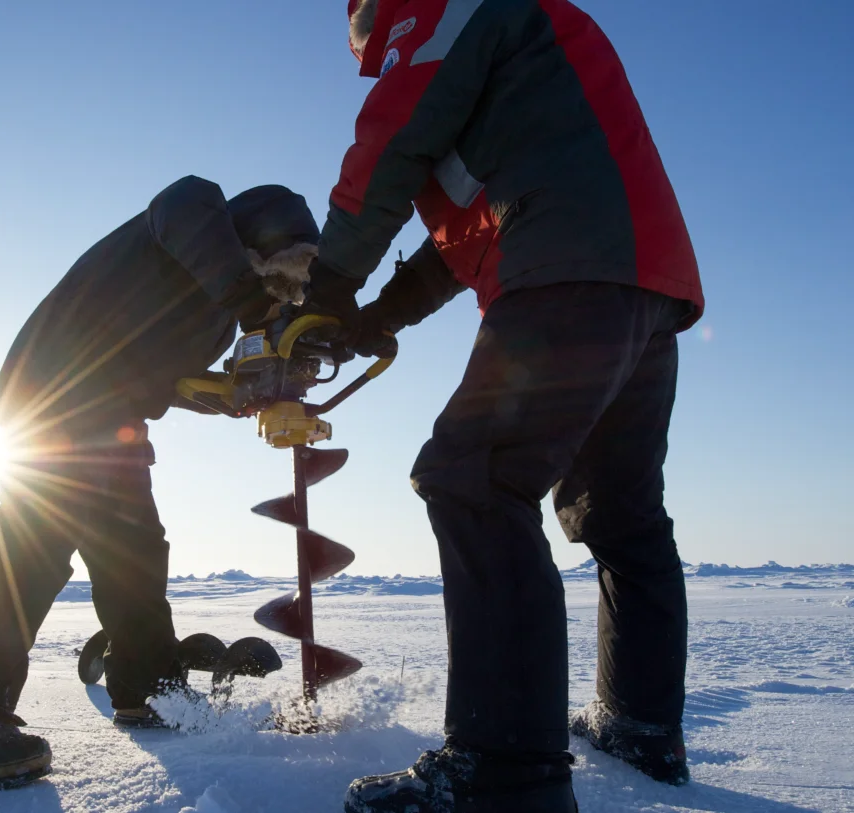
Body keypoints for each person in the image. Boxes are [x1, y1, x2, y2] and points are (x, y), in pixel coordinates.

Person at [298, 2, 707, 810]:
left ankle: (503, 769)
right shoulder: (522, 56)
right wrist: (380, 314)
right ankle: (640, 727)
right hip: (642, 276)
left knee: (471, 476)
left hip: (565, 263)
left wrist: (328, 286)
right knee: (618, 513)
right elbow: (471, 235)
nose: (360, 41)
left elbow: (392, 138)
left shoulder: (440, 8)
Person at [0, 176, 320, 790]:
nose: (288, 291)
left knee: (136, 556)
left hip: (112, 421)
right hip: (54, 396)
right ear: (263, 236)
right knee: (28, 557)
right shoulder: (195, 214)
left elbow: (164, 376)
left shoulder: (216, 319)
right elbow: (182, 209)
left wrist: (229, 394)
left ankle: (149, 691)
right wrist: (253, 304)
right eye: (289, 270)